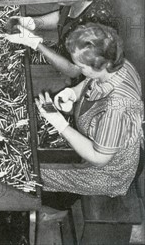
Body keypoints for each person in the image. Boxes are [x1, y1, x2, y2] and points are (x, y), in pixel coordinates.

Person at [37, 23, 143, 207]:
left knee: (38, 174)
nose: (79, 69)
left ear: (102, 63)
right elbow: (91, 79)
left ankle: (55, 209)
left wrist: (60, 124)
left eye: (81, 66)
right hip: (100, 143)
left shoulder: (116, 109)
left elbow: (98, 158)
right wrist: (74, 92)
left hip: (108, 172)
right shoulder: (119, 66)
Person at [5, 0, 118, 78]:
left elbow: (75, 71)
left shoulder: (96, 20)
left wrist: (35, 43)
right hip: (65, 46)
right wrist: (33, 23)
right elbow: (63, 18)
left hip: (81, 77)